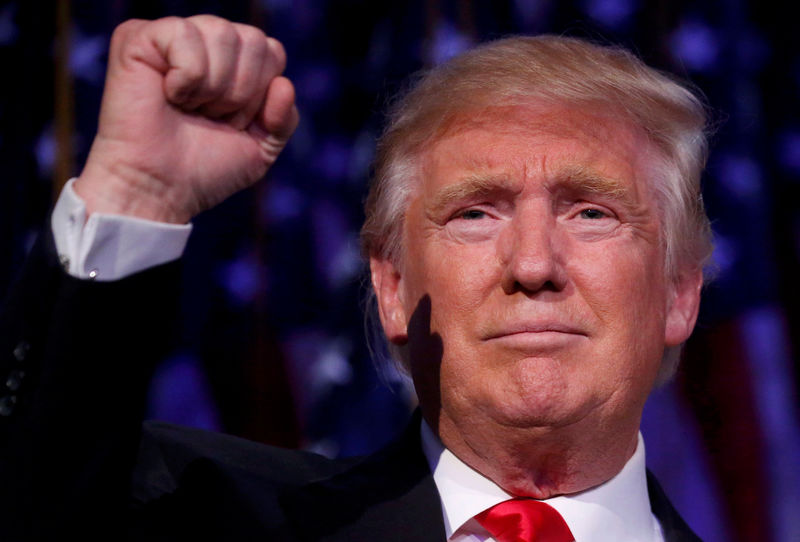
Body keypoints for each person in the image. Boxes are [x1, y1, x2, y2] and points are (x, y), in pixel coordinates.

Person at [0, 14, 711, 541]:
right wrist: (137, 193)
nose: (533, 265)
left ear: (679, 292)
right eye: (474, 215)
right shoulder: (196, 517)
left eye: (590, 213)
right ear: (392, 288)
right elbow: (31, 488)